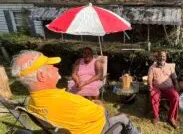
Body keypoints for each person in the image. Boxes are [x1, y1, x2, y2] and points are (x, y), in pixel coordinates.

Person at [11, 50, 140, 134]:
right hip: (98, 129)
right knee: (123, 117)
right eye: (50, 66)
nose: (55, 68)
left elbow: (99, 75)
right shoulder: (71, 102)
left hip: (72, 125)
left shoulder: (32, 102)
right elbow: (100, 113)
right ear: (42, 76)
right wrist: (98, 104)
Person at [148, 50, 180, 128]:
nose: (162, 58)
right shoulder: (152, 67)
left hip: (169, 88)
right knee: (153, 96)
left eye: (163, 56)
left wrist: (177, 85)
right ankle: (156, 116)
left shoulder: (170, 66)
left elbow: (174, 78)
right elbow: (149, 78)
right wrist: (150, 86)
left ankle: (171, 118)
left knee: (176, 97)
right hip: (157, 88)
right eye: (160, 56)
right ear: (157, 57)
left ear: (166, 58)